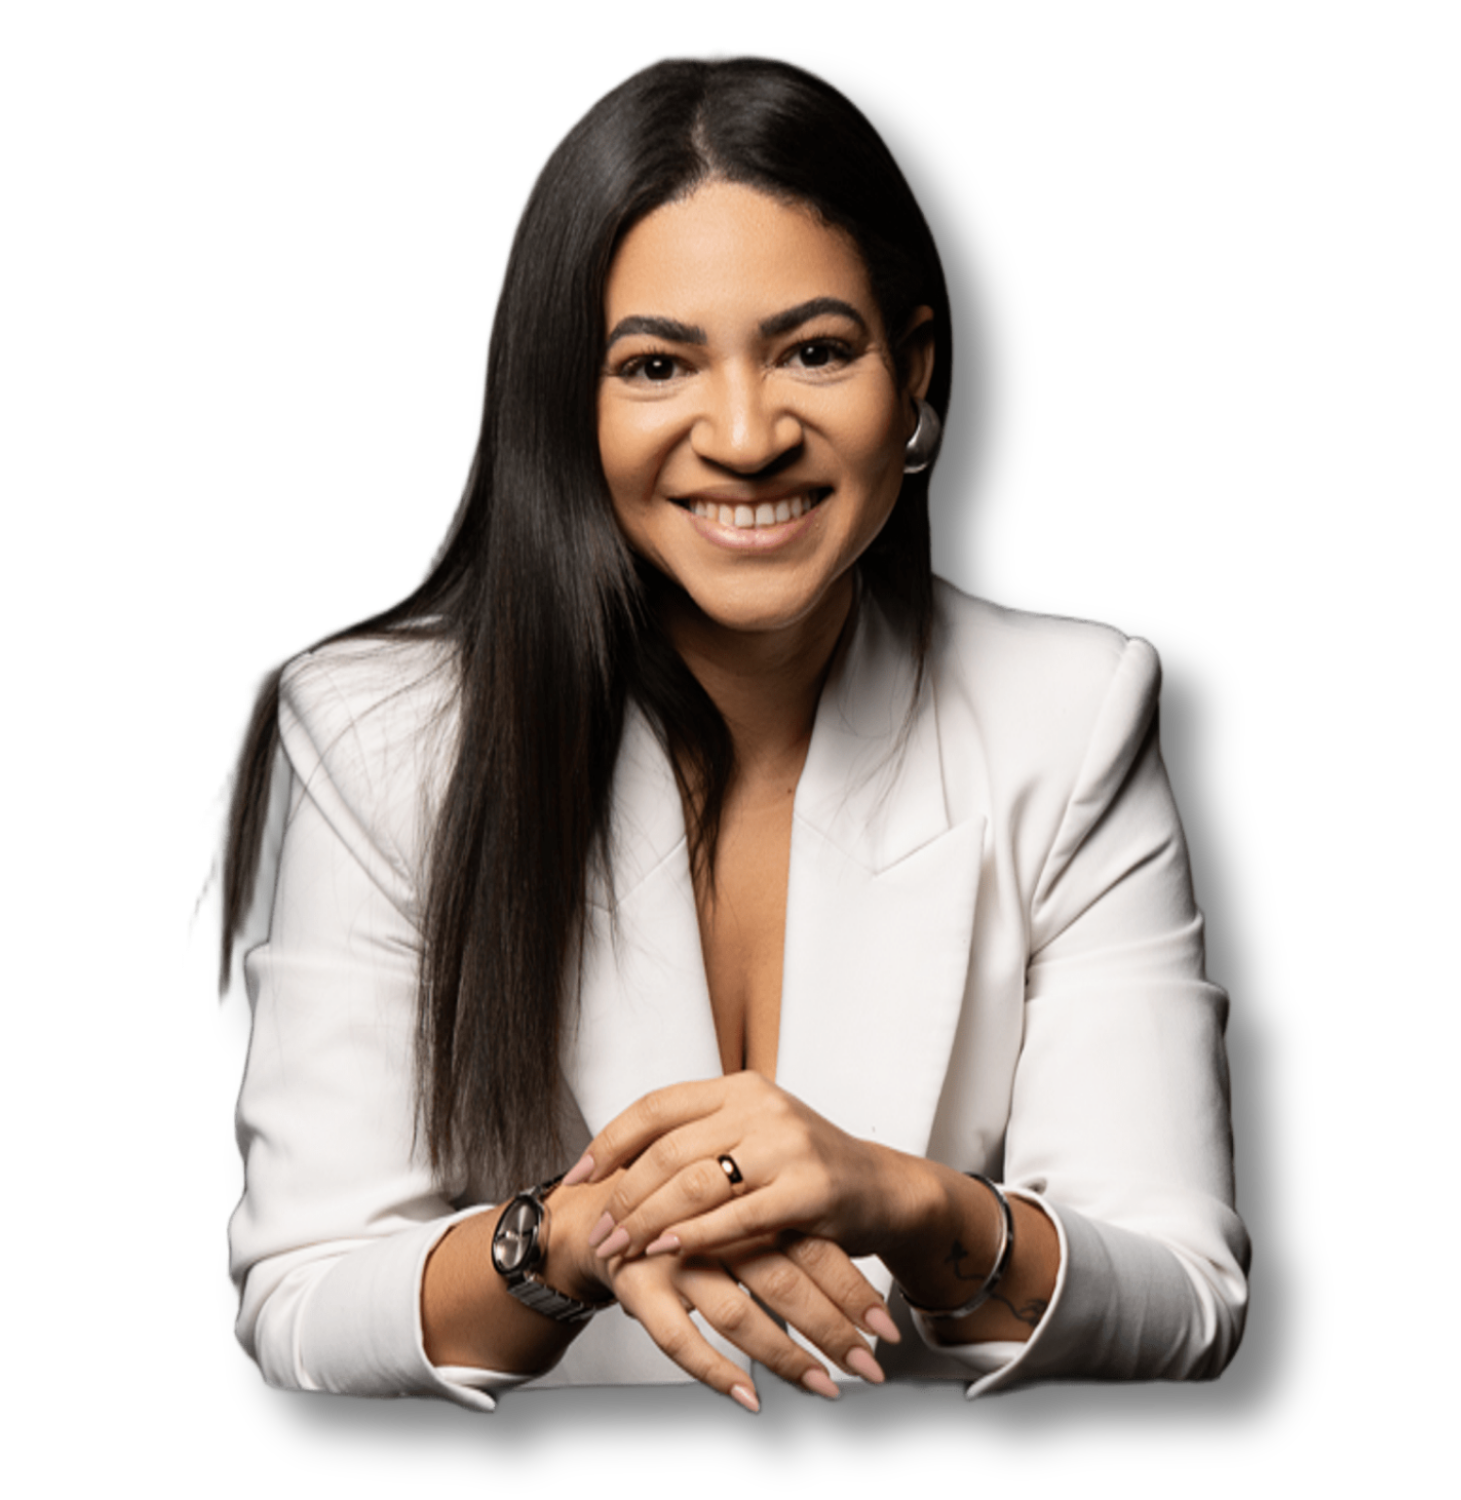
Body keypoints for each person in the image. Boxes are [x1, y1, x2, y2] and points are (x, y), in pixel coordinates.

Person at [202, 50, 1250, 1416]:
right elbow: (302, 1303)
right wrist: (573, 1240)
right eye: (656, 365)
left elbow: (1183, 1300)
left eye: (815, 351)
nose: (748, 436)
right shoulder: (381, 736)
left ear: (914, 374)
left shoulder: (1071, 712)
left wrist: (907, 1200)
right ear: (568, 402)